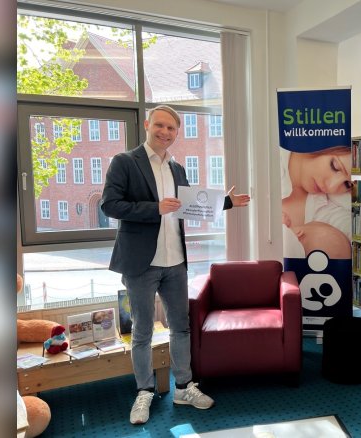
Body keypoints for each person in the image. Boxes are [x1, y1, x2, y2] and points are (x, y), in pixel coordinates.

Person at [100, 105, 250, 425]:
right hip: (141, 263)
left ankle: (183, 387)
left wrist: (226, 202)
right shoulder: (125, 162)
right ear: (147, 125)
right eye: (160, 126)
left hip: (175, 262)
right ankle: (144, 392)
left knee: (180, 327)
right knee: (141, 331)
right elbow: (110, 205)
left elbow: (189, 207)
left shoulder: (178, 168)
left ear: (177, 132)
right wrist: (154, 207)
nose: (165, 132)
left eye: (172, 128)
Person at [281, 146, 353, 259]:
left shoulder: (325, 209)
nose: (331, 186)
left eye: (347, 184)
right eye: (335, 166)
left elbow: (355, 232)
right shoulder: (267, 160)